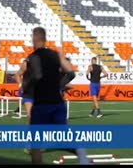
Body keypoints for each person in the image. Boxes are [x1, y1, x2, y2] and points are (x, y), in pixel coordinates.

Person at [26, 27, 88, 164]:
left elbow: (37, 75)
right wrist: (60, 84)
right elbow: (71, 72)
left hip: (42, 103)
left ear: (35, 39)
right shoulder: (55, 55)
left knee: (35, 146)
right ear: (45, 38)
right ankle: (79, 149)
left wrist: (27, 85)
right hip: (57, 103)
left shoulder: (33, 56)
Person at [15, 59, 33, 124]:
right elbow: (17, 75)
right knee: (30, 115)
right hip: (28, 93)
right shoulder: (26, 63)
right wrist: (20, 85)